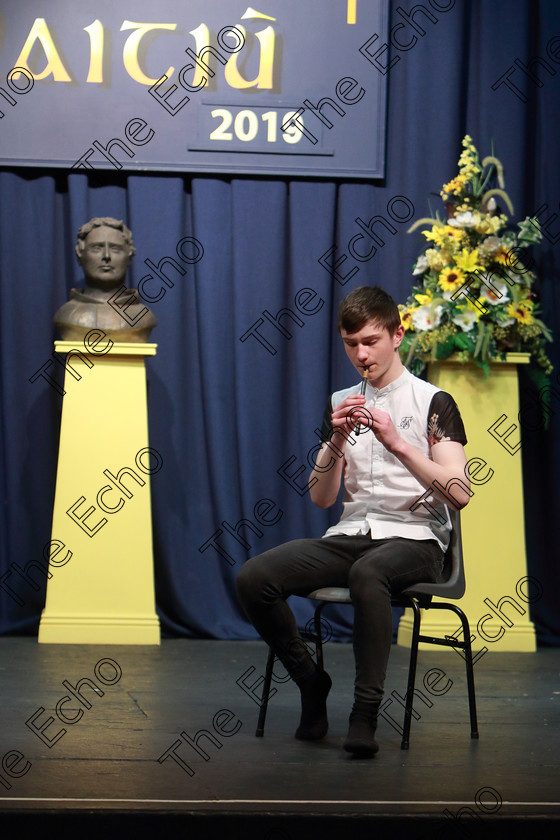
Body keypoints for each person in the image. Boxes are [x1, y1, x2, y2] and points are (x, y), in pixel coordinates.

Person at [236, 286, 470, 757]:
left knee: (370, 574)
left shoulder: (433, 402)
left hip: (417, 538)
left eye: (370, 341)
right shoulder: (342, 400)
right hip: (353, 533)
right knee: (254, 577)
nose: (361, 354)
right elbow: (322, 498)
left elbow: (460, 494)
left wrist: (400, 445)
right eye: (351, 344)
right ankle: (310, 681)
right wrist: (337, 440)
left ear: (398, 335)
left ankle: (364, 713)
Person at [54, 217, 157, 341]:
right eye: (96, 248)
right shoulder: (67, 315)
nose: (106, 256)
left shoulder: (143, 317)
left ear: (129, 257)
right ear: (80, 255)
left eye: (115, 249)